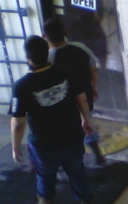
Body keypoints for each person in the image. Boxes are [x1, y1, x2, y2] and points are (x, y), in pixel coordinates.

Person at [9, 35, 98, 204]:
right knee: (77, 173)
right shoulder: (66, 72)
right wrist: (86, 120)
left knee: (45, 176)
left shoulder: (21, 86)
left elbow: (18, 124)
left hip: (44, 144)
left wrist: (15, 147)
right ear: (47, 52)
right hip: (73, 136)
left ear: (27, 57)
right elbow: (82, 98)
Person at [43, 16, 105, 167]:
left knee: (67, 131)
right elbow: (93, 69)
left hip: (65, 103)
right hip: (85, 96)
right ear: (65, 32)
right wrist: (93, 87)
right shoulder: (80, 48)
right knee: (87, 123)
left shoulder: (48, 58)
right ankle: (97, 155)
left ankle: (73, 163)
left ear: (44, 36)